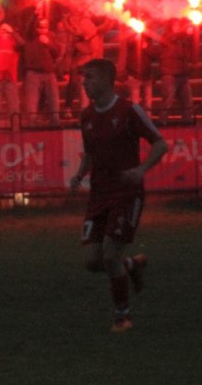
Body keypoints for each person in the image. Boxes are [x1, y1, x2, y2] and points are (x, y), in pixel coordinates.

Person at [69, 58, 168, 333]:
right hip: (99, 195)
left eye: (89, 77)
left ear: (105, 80)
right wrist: (79, 175)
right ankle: (131, 265)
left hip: (127, 193)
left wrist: (142, 169)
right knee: (91, 261)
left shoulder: (129, 111)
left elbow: (160, 143)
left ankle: (122, 316)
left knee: (110, 255)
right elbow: (89, 153)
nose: (84, 83)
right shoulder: (87, 116)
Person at [156, 18, 195, 125]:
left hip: (183, 74)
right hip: (170, 74)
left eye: (179, 25)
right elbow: (173, 38)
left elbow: (189, 53)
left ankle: (187, 123)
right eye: (176, 25)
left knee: (187, 102)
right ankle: (162, 123)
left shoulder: (183, 40)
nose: (178, 27)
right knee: (167, 101)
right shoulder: (166, 37)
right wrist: (186, 31)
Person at [23, 19, 61, 126]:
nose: (43, 30)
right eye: (41, 27)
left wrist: (48, 43)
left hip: (49, 73)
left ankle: (55, 124)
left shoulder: (51, 37)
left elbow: (57, 52)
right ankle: (31, 125)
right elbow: (30, 25)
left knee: (54, 100)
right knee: (32, 102)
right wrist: (35, 13)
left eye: (45, 27)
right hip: (33, 73)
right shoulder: (30, 36)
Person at [0, 23, 22, 124]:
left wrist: (12, 31)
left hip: (10, 79)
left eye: (7, 31)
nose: (5, 32)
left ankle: (16, 132)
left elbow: (22, 43)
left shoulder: (14, 43)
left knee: (14, 110)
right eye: (2, 30)